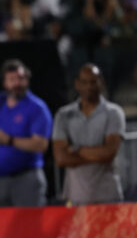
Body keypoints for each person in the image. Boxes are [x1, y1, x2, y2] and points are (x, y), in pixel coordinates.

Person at [0, 60, 53, 207]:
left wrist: (8, 140)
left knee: (27, 226)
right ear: (4, 83)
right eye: (12, 79)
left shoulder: (37, 108)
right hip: (1, 180)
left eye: (21, 79)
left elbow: (41, 145)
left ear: (27, 80)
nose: (17, 83)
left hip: (27, 179)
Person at [52, 64, 125, 205]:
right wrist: (97, 153)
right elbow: (61, 159)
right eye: (84, 82)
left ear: (101, 82)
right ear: (77, 84)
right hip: (75, 197)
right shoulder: (63, 115)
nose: (89, 87)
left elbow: (109, 154)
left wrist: (76, 149)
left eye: (93, 82)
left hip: (108, 197)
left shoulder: (114, 113)